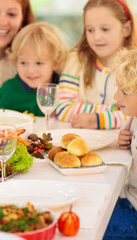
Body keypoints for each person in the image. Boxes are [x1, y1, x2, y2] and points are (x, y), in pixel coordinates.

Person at [55, 0, 137, 129]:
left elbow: (134, 116)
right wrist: (115, 111)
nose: (97, 37)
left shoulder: (133, 66)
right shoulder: (76, 61)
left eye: (105, 29)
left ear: (126, 29)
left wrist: (98, 120)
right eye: (90, 30)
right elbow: (62, 108)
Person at [0, 22, 69, 116]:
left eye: (39, 63)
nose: (30, 70)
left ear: (56, 63)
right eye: (23, 63)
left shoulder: (64, 87)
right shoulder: (9, 90)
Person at [103, 48, 137, 239]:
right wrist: (124, 138)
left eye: (124, 91)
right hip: (127, 197)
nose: (116, 96)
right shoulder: (133, 118)